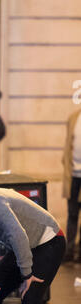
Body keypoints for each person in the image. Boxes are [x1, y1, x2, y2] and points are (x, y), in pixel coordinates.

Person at [62, 108, 81, 263]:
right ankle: (69, 251)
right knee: (72, 213)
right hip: (73, 174)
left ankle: (80, 252)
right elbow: (68, 144)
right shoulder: (74, 117)